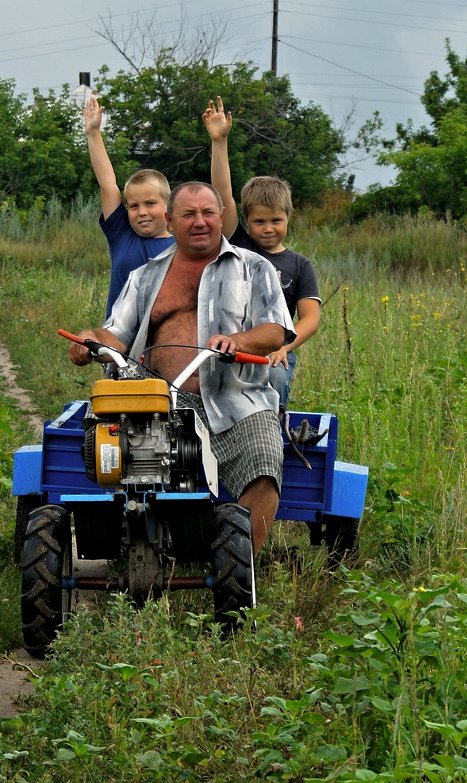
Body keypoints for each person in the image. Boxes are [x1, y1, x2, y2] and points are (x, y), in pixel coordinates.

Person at [69, 181, 294, 552]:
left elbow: (275, 331)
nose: (200, 222)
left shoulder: (255, 267)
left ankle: (239, 570)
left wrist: (238, 341)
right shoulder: (145, 276)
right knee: (109, 453)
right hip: (161, 402)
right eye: (189, 214)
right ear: (171, 222)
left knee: (264, 470)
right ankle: (137, 542)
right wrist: (89, 342)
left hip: (238, 400)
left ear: (222, 217)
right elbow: (116, 335)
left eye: (208, 213)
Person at [203, 96, 322, 412]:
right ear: (246, 219)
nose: (268, 228)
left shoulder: (299, 264)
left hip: (272, 351)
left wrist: (286, 348)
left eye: (276, 221)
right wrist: (219, 141)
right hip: (230, 345)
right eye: (259, 221)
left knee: (275, 378)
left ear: (288, 218)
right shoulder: (239, 243)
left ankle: (272, 437)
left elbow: (310, 318)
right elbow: (222, 194)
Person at [84, 93, 175, 317]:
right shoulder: (121, 233)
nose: (142, 212)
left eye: (150, 203)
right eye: (133, 206)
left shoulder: (183, 245)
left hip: (162, 345)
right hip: (118, 344)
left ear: (168, 206)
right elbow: (107, 184)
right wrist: (93, 133)